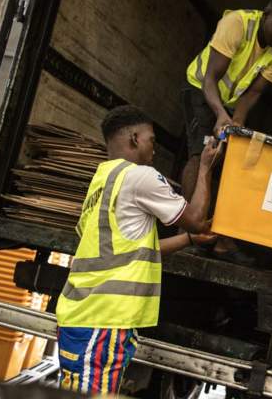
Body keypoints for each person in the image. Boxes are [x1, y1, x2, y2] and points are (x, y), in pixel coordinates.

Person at [55, 106, 221, 395]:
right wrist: (205, 167)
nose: (154, 149)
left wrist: (189, 242)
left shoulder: (101, 181)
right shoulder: (139, 176)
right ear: (134, 138)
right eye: (151, 140)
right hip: (103, 319)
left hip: (83, 314)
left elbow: (132, 250)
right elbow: (194, 219)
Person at [180, 0, 272, 265]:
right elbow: (210, 79)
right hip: (202, 92)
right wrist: (220, 115)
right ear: (267, 13)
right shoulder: (237, 23)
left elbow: (254, 93)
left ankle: (223, 243)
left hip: (229, 105)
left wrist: (237, 120)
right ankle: (186, 235)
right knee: (199, 155)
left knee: (233, 164)